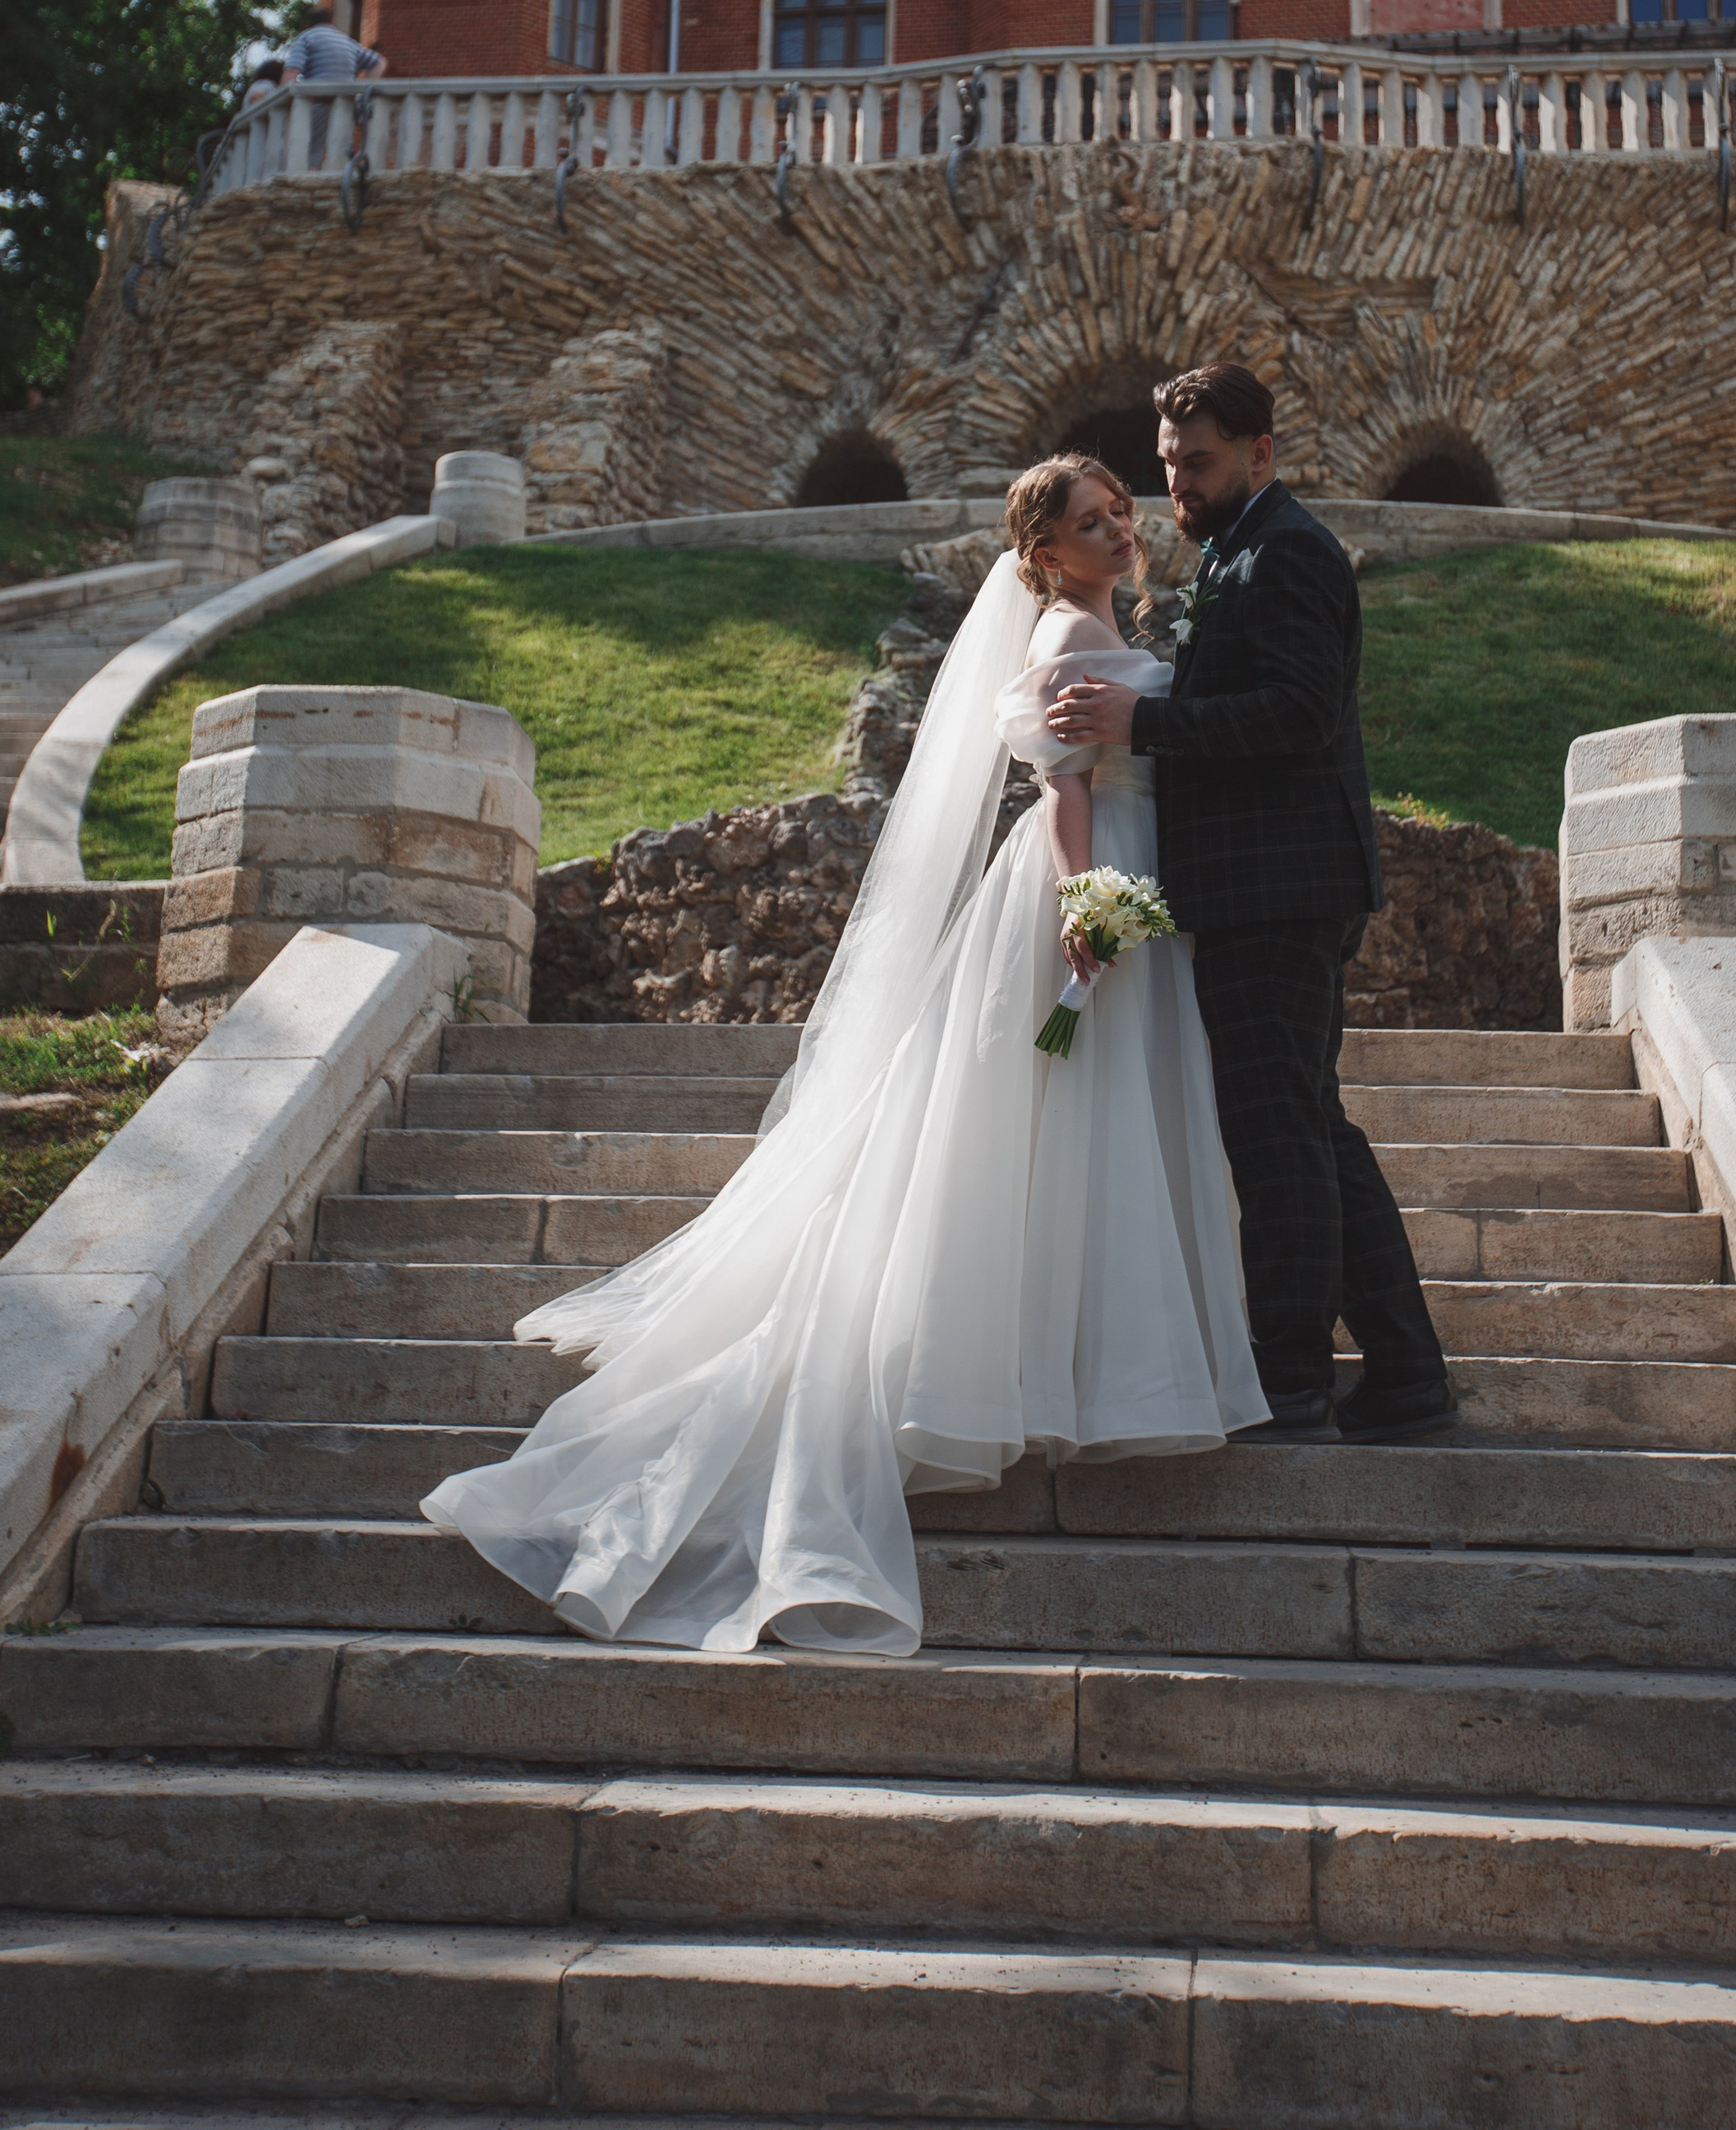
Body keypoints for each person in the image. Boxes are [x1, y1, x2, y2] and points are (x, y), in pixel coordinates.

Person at [420, 454, 1265, 1653]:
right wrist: (1086, 903)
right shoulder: (1070, 637)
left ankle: (1084, 1359)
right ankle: (1053, 1370)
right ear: (1044, 555)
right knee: (1072, 1110)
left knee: (1097, 1113)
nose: (1122, 529)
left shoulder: (1102, 622)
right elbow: (1067, 792)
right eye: (1092, 522)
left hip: (1136, 870)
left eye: (1120, 511)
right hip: (1090, 882)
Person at [1048, 362, 1453, 1447]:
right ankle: (1407, 1373)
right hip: (1252, 889)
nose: (1176, 483)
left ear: (1261, 453)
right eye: (1168, 463)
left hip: (1278, 890)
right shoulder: (1235, 549)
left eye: (1199, 461)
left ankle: (1292, 1379)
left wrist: (1143, 726)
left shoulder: (1289, 552)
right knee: (1309, 1128)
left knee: (1275, 1141)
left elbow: (1298, 713)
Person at [282, 16, 388, 169]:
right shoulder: (348, 42)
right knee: (341, 151)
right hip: (346, 105)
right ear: (330, 23)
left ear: (309, 25)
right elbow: (379, 63)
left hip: (318, 102)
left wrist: (282, 103)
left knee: (309, 152)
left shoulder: (306, 37)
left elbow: (292, 71)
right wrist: (361, 90)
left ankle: (309, 177)